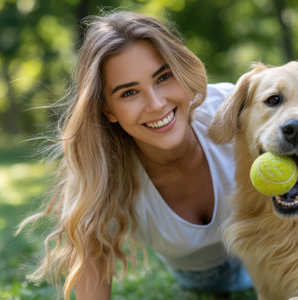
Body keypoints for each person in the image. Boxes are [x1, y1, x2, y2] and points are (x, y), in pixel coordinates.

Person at [18, 11, 252, 300]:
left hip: (277, 245)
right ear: (108, 111)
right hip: (207, 277)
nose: (156, 104)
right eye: (129, 93)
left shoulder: (234, 111)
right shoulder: (103, 174)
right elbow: (92, 271)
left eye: (163, 77)